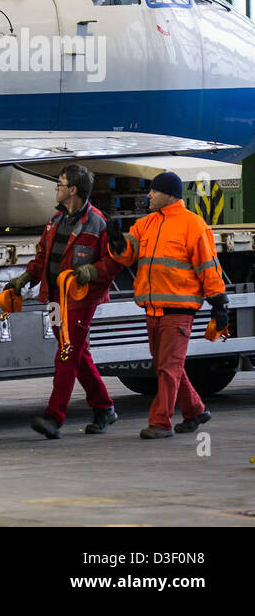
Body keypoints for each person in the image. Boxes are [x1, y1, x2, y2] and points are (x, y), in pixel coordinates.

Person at [6, 164, 121, 438]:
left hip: (80, 301)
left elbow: (114, 261)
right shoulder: (54, 221)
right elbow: (42, 259)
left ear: (73, 190)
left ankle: (54, 417)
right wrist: (24, 279)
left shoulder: (97, 223)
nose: (55, 188)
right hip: (56, 300)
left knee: (66, 355)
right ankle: (104, 407)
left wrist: (92, 271)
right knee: (77, 355)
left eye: (60, 183)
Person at [108, 171, 223, 439]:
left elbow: (209, 267)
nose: (148, 195)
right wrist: (116, 240)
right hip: (153, 310)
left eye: (154, 191)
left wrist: (219, 304)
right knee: (167, 367)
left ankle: (161, 423)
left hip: (178, 312)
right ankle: (195, 411)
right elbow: (127, 255)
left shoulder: (193, 225)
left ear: (170, 195)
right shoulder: (145, 224)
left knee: (168, 369)